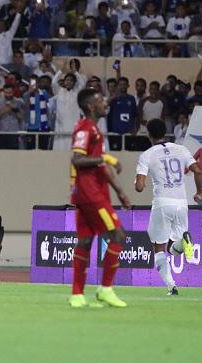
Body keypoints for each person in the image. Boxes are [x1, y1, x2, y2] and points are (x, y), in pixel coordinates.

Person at [69, 88, 131, 308]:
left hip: (90, 193)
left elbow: (101, 167)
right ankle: (106, 289)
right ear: (90, 107)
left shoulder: (95, 130)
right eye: (100, 100)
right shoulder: (85, 128)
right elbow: (77, 160)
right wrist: (105, 157)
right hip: (90, 193)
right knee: (118, 235)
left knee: (85, 241)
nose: (105, 103)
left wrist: (120, 191)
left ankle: (77, 295)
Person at [135, 118, 202, 295]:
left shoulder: (147, 155)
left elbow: (140, 187)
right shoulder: (181, 149)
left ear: (149, 135)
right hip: (181, 203)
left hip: (162, 203)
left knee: (158, 247)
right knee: (174, 248)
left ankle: (171, 285)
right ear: (165, 132)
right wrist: (199, 192)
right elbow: (198, 170)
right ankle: (184, 240)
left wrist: (138, 183)